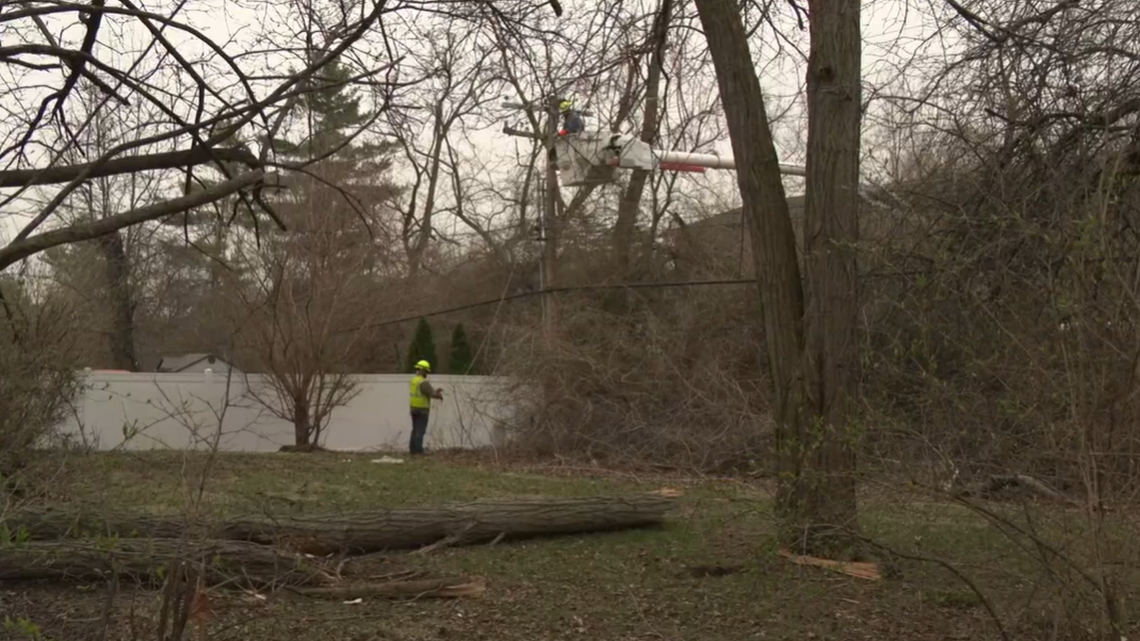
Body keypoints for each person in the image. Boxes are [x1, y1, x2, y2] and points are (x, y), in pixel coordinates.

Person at [408, 360, 443, 455]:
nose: (427, 373)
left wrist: (435, 391)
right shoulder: (423, 382)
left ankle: (413, 449)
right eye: (426, 371)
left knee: (415, 429)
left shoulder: (413, 380)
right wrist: (438, 394)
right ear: (422, 370)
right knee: (420, 430)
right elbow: (431, 393)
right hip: (422, 410)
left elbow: (423, 392)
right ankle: (419, 450)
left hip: (413, 408)